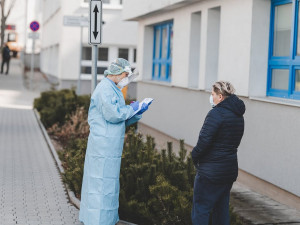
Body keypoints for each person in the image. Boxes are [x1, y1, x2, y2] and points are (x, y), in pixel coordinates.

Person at [79, 58, 149, 225]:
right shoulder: (105, 89)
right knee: (99, 185)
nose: (126, 78)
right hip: (102, 146)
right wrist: (129, 109)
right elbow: (114, 115)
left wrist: (136, 112)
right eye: (125, 74)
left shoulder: (114, 89)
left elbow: (120, 119)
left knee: (108, 185)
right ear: (116, 72)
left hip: (110, 145)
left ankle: (106, 220)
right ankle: (96, 221)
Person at [191, 81, 245, 225]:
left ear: (220, 96)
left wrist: (194, 156)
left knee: (201, 210)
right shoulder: (238, 115)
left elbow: (204, 142)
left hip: (210, 172)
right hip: (228, 170)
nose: (211, 97)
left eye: (213, 94)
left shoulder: (216, 114)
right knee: (221, 211)